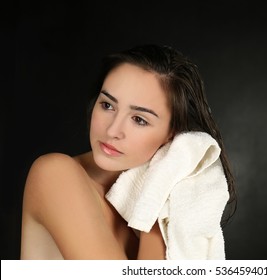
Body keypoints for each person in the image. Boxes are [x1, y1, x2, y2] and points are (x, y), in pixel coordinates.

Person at [20, 44, 237, 260]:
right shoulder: (54, 174)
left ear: (172, 135)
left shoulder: (167, 198)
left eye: (139, 120)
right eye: (107, 105)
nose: (113, 130)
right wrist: (156, 203)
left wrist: (161, 192)